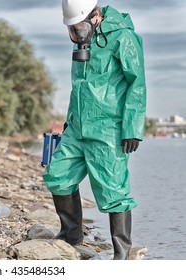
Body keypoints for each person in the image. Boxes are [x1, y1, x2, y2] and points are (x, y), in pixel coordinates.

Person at [43, 0, 146, 260]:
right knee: (57, 176)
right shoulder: (82, 45)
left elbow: (137, 84)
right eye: (72, 29)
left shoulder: (124, 37)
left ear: (96, 15)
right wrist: (69, 121)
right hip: (77, 128)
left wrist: (132, 128)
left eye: (79, 28)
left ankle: (121, 252)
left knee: (114, 191)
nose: (75, 35)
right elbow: (78, 86)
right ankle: (71, 235)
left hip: (108, 129)